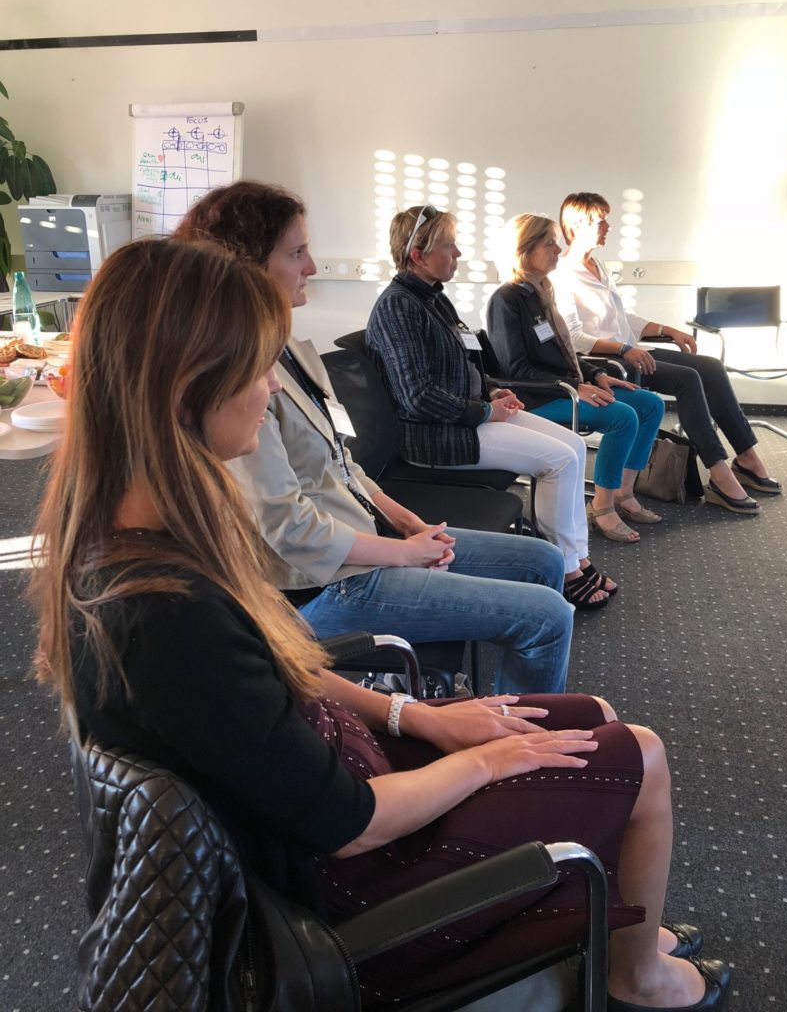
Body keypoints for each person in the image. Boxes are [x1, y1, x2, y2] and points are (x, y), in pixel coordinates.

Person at [32, 235, 729, 1012]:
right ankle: (639, 978)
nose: (270, 386)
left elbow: (279, 669)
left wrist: (418, 715)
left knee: (590, 716)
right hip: (352, 884)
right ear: (186, 391)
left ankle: (623, 937)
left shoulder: (147, 541)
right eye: (255, 369)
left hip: (340, 777)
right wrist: (483, 763)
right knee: (642, 754)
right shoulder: (166, 615)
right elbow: (351, 826)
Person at [173, 181, 571, 691]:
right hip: (322, 585)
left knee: (543, 560)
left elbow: (341, 461)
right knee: (546, 617)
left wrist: (405, 521)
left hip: (362, 539)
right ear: (246, 265)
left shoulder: (289, 350)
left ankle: (507, 710)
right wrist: (403, 552)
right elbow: (286, 527)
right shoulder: (238, 378)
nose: (312, 266)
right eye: (296, 253)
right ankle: (518, 737)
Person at [365, 204, 615, 610]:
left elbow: (461, 367)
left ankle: (578, 558)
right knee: (558, 461)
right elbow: (417, 396)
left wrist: (490, 393)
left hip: (463, 418)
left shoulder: (432, 299)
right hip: (436, 435)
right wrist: (483, 411)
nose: (458, 253)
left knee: (572, 446)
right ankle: (566, 570)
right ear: (419, 256)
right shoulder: (399, 306)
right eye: (450, 246)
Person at [554, 192, 782, 516]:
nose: (608, 226)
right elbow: (573, 337)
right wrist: (623, 348)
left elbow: (624, 319)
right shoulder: (562, 274)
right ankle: (719, 471)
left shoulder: (597, 266)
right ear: (578, 225)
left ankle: (746, 457)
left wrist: (668, 329)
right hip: (608, 361)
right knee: (688, 379)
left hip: (632, 351)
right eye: (601, 221)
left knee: (711, 367)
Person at [488, 214, 666, 543]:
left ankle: (624, 494)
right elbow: (515, 370)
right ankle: (602, 507)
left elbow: (564, 353)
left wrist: (597, 374)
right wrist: (575, 387)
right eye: (550, 243)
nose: (559, 249)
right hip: (536, 398)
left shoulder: (542, 292)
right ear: (525, 250)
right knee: (622, 417)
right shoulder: (506, 299)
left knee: (650, 405)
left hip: (563, 389)